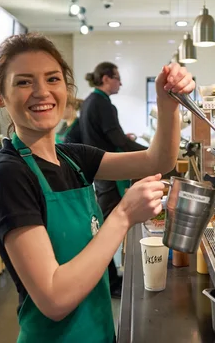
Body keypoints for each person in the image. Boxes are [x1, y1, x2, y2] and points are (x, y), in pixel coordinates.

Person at [0, 33, 194, 343]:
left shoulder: (73, 157)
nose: (42, 92)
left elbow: (157, 159)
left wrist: (168, 104)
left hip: (100, 332)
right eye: (24, 82)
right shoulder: (8, 177)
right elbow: (54, 298)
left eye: (52, 79)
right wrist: (122, 215)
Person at [79, 62, 147, 297]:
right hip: (107, 176)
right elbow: (118, 140)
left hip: (98, 174)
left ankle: (110, 278)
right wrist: (150, 154)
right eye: (118, 78)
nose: (120, 83)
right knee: (106, 228)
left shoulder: (89, 102)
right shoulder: (102, 103)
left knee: (101, 224)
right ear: (106, 78)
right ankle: (109, 281)